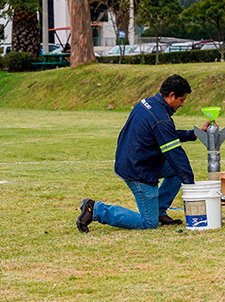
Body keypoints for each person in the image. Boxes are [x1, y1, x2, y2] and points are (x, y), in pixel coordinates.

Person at [77, 74, 210, 232]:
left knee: (176, 172)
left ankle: (159, 211)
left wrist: (193, 134)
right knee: (148, 222)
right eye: (181, 100)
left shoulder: (148, 103)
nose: (182, 104)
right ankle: (95, 209)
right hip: (139, 169)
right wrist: (190, 185)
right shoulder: (161, 118)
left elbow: (165, 134)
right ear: (171, 96)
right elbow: (176, 155)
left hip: (133, 159)